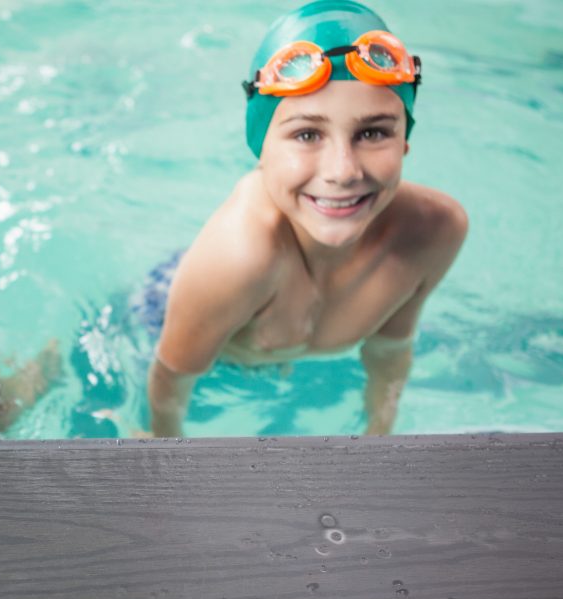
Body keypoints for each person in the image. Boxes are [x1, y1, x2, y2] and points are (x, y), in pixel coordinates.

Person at [146, 0, 467, 437]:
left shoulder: (434, 231)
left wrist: (381, 433)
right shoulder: (238, 257)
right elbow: (168, 384)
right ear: (262, 150)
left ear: (405, 142)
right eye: (306, 134)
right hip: (154, 318)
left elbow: (391, 349)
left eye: (373, 132)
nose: (343, 171)